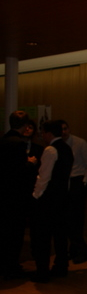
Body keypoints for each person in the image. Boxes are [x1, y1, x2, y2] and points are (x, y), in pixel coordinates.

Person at [31, 120, 74, 282]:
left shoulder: (50, 150)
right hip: (62, 198)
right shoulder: (67, 148)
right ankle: (61, 266)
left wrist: (36, 195)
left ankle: (42, 271)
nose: (42, 135)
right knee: (60, 235)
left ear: (49, 133)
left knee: (42, 236)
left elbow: (44, 176)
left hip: (48, 199)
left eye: (43, 132)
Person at [57, 119, 87, 263]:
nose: (64, 132)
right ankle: (73, 250)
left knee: (76, 219)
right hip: (65, 182)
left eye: (65, 129)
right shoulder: (59, 145)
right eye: (61, 129)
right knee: (67, 219)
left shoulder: (80, 143)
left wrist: (84, 182)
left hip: (78, 181)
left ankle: (81, 251)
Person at [0, 111, 31, 279]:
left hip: (3, 194)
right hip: (15, 196)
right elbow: (20, 172)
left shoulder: (3, 140)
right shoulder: (19, 144)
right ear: (25, 126)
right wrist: (30, 164)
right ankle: (11, 266)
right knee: (14, 232)